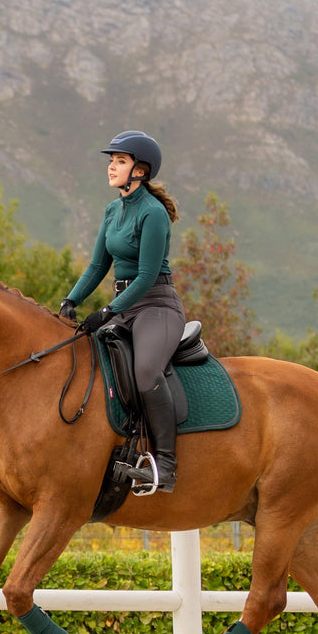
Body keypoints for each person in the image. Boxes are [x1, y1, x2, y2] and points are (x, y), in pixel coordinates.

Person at [60, 130, 185, 492]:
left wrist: (107, 310)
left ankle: (165, 466)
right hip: (123, 306)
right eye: (111, 161)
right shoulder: (113, 210)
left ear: (140, 171)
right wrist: (70, 301)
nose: (111, 167)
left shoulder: (153, 213)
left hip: (156, 305)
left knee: (146, 372)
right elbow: (98, 266)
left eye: (120, 161)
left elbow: (146, 277)